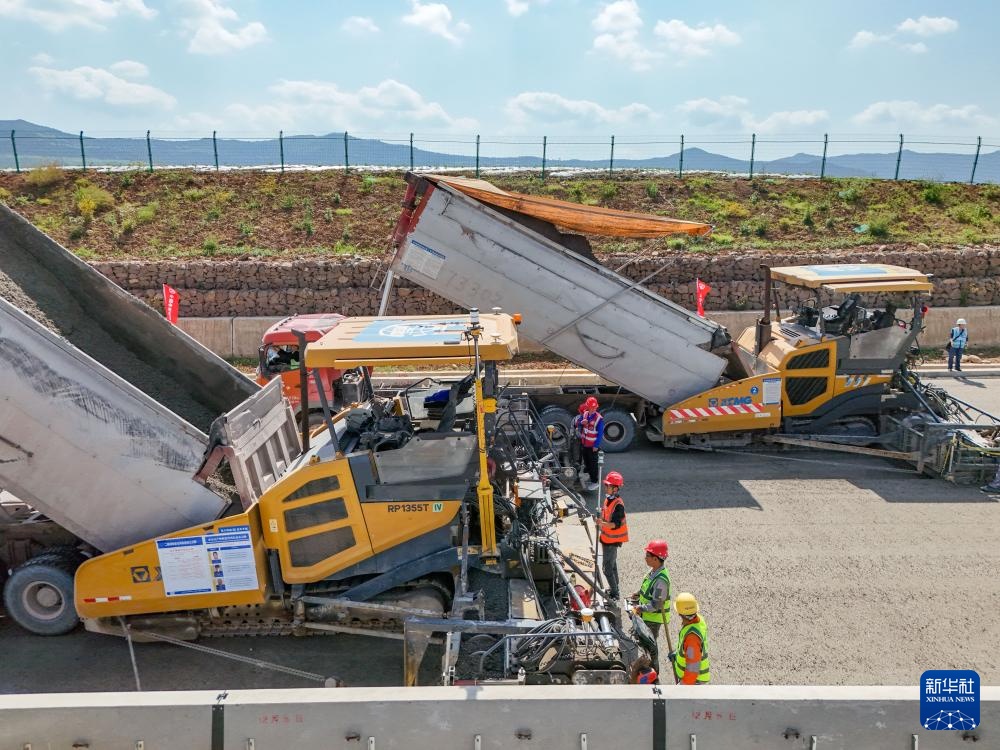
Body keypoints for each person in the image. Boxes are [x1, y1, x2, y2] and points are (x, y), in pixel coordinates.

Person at [596, 470, 628, 601]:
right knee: (612, 565)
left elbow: (615, 524)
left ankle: (615, 594)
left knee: (607, 569)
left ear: (615, 489)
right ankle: (616, 588)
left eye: (607, 486)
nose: (605, 487)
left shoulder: (618, 505)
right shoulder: (609, 500)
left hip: (612, 541)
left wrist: (601, 523)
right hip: (606, 539)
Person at [630, 539, 671, 640]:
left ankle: (649, 656)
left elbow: (656, 605)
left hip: (653, 619)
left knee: (649, 643)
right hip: (647, 615)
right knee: (641, 639)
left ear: (656, 559)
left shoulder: (661, 581)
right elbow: (648, 587)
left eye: (647, 556)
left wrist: (640, 608)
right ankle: (645, 656)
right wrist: (639, 593)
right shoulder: (653, 571)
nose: (645, 558)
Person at [670, 592, 711, 685]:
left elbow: (692, 668)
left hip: (694, 683)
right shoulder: (699, 620)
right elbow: (691, 651)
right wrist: (677, 655)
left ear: (680, 614)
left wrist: (683, 686)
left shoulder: (692, 638)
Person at [574, 396, 604, 491]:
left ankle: (595, 481)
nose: (592, 409)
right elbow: (578, 423)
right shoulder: (585, 414)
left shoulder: (599, 419)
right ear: (588, 407)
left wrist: (596, 445)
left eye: (594, 408)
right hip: (585, 444)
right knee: (586, 462)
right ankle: (589, 476)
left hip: (592, 447)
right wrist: (581, 422)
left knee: (593, 464)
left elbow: (600, 434)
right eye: (591, 407)